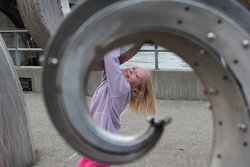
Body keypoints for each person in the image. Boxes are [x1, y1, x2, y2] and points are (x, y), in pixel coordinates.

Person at [78, 48, 157, 167]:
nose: (131, 70)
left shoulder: (123, 90)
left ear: (136, 88)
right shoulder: (114, 83)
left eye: (136, 75)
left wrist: (115, 41)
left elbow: (110, 59)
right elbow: (107, 64)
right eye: (134, 68)